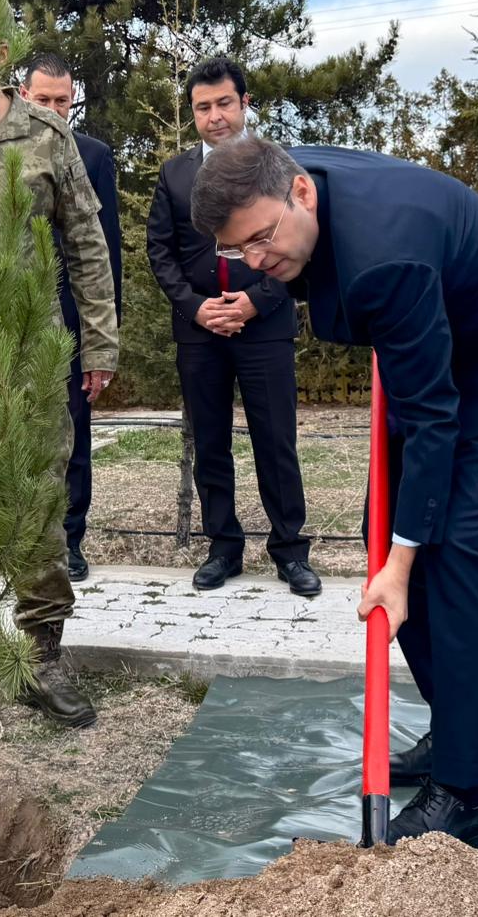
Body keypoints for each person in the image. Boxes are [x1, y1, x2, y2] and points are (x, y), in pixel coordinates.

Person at [189, 137, 478, 848]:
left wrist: (402, 569)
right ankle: (470, 735)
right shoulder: (280, 177)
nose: (255, 263)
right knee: (391, 531)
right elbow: (418, 385)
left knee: (460, 547)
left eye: (261, 240)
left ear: (302, 195)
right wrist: (397, 557)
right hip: (447, 335)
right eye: (238, 252)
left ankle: (461, 795)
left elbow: (436, 420)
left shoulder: (386, 256)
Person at [0, 0, 118, 728]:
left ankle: (43, 654)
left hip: (32, 348)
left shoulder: (46, 135)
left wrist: (99, 341)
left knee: (40, 499)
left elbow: (86, 244)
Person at [146, 56, 318, 597]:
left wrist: (254, 302)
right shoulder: (175, 174)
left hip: (264, 326)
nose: (215, 116)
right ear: (192, 113)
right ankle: (224, 547)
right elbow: (160, 252)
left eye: (224, 103)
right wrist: (196, 307)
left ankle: (291, 551)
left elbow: (301, 248)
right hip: (199, 332)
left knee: (275, 441)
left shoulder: (278, 166)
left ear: (245, 104)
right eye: (203, 107)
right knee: (211, 442)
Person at [19, 53, 122, 582]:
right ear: (22, 94)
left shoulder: (93, 155)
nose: (55, 111)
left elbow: (105, 251)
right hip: (7, 315)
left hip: (70, 320)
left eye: (64, 101)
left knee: (72, 435)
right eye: (45, 100)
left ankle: (70, 539)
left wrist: (103, 338)